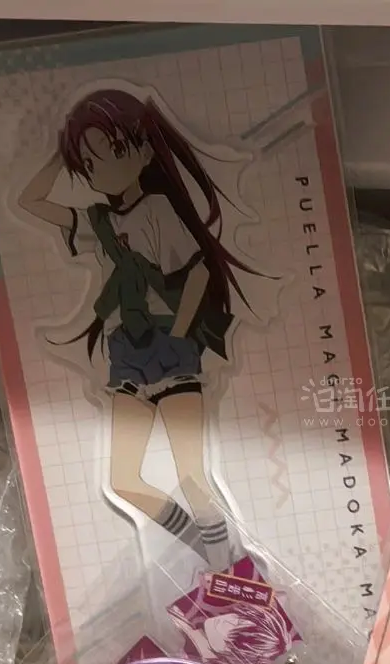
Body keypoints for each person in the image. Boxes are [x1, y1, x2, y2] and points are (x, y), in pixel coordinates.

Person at [18, 88, 273, 569]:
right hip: (126, 352)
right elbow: (30, 200)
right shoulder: (99, 223)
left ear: (144, 150)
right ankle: (212, 558)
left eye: (112, 150)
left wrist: (177, 334)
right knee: (124, 481)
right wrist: (62, 147)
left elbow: (198, 271)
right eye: (90, 163)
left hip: (170, 348)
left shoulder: (157, 208)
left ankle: (225, 566)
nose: (101, 169)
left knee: (193, 476)